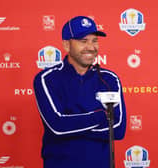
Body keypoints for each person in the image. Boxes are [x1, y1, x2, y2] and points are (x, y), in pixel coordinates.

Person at [33, 16, 126, 168]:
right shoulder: (47, 79)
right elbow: (57, 126)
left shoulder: (110, 79)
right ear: (66, 45)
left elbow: (117, 130)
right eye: (83, 41)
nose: (91, 47)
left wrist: (72, 122)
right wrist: (100, 116)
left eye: (94, 41)